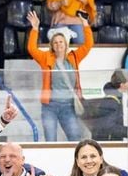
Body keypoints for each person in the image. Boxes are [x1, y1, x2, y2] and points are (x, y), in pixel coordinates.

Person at [28, 11, 93, 141]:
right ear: (52, 45)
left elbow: (88, 45)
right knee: (50, 139)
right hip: (49, 106)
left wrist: (85, 24)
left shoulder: (74, 56)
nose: (58, 44)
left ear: (66, 44)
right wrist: (35, 29)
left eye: (61, 42)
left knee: (75, 137)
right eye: (55, 42)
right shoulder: (45, 57)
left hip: (68, 106)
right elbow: (32, 49)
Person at [83, 69, 128, 142]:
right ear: (122, 84)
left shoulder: (113, 99)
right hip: (109, 144)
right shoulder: (111, 102)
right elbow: (109, 127)